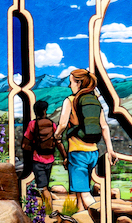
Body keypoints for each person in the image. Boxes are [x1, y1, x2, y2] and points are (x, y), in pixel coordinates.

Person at [56, 69, 113, 212]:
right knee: (80, 192)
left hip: (77, 153)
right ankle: (81, 218)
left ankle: (103, 219)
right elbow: (104, 127)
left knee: (85, 193)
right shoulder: (94, 101)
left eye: (71, 83)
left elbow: (62, 124)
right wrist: (110, 149)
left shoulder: (70, 101)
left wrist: (56, 135)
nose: (70, 86)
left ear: (79, 83)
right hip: (93, 152)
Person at [21, 99, 60, 214]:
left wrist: (32, 148)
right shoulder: (52, 124)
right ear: (45, 111)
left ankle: (48, 211)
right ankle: (45, 208)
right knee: (45, 186)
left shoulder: (32, 124)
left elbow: (24, 144)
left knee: (42, 188)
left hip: (38, 159)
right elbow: (57, 141)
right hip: (50, 159)